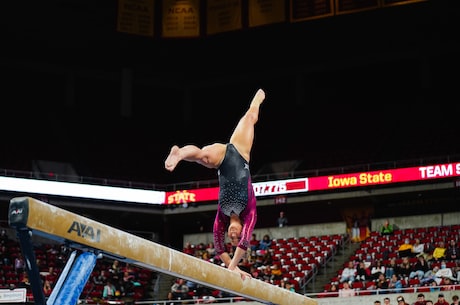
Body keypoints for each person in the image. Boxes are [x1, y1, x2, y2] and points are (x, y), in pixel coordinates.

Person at [165, 88, 265, 280]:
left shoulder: (222, 215)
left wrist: (231, 267)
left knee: (202, 156)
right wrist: (233, 267)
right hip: (240, 152)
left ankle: (182, 154)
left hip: (221, 161)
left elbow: (219, 248)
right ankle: (179, 153)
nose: (234, 236)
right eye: (237, 236)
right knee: (251, 116)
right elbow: (244, 243)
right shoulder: (250, 213)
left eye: (232, 238)